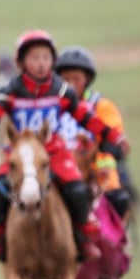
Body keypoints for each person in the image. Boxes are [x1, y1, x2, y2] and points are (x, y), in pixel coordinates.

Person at [0, 30, 128, 262]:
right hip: (20, 151)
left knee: (76, 188)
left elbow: (85, 117)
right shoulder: (10, 91)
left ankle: (84, 234)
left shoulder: (62, 90)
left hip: (52, 150)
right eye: (35, 58)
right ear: (22, 62)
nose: (41, 64)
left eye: (46, 58)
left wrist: (111, 135)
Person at [54, 46, 133, 218]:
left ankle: (112, 242)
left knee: (119, 200)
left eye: (77, 79)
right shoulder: (50, 107)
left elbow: (113, 139)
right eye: (66, 79)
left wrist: (103, 159)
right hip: (56, 169)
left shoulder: (102, 106)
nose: (71, 84)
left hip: (96, 173)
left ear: (87, 80)